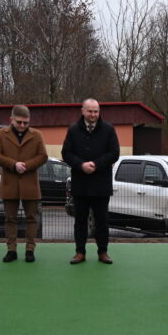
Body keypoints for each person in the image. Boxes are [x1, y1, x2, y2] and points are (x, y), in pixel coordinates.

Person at [63, 98, 120, 264]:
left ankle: (103, 252)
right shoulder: (73, 130)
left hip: (101, 185)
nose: (93, 114)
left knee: (102, 221)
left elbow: (114, 153)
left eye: (96, 111)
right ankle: (80, 252)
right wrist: (81, 165)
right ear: (83, 111)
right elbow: (66, 153)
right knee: (80, 221)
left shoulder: (108, 129)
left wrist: (96, 164)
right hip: (80, 184)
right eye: (90, 111)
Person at [0, 105, 48, 263]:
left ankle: (30, 249)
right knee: (10, 219)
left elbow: (43, 156)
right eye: (19, 122)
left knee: (32, 218)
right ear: (11, 120)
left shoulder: (37, 135)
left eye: (26, 122)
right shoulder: (1, 134)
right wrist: (13, 164)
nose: (23, 125)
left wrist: (27, 165)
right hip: (9, 183)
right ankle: (11, 250)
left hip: (30, 184)